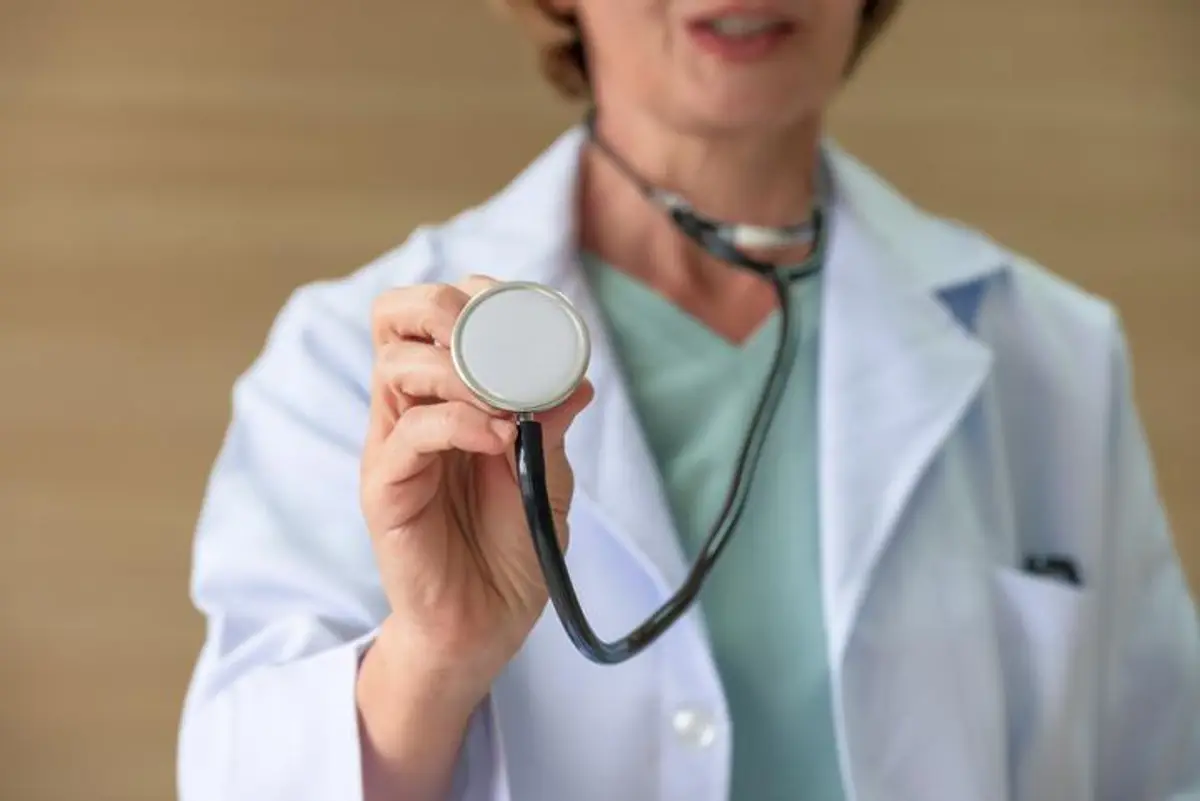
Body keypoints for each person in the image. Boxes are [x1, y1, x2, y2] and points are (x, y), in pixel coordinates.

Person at [177, 1, 1200, 799]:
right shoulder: (360, 357)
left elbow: (1162, 768)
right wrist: (432, 657)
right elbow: (240, 783)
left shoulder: (1050, 354)